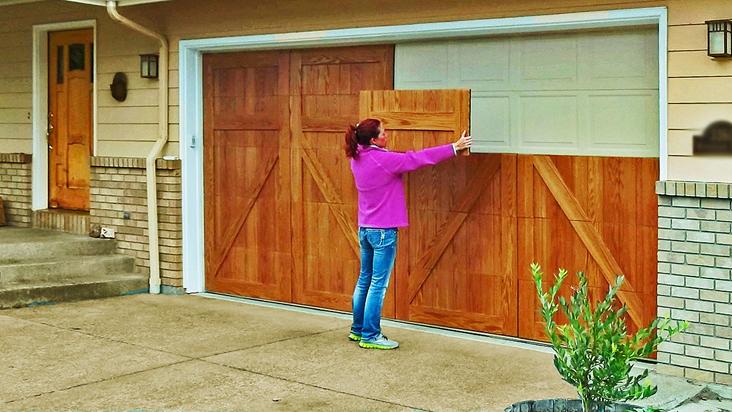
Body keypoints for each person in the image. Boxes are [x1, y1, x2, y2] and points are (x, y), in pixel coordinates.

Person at [344, 118, 473, 350]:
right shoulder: (383, 160)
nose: (387, 135)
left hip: (365, 229)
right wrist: (454, 147)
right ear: (373, 139)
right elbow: (417, 158)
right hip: (383, 232)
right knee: (377, 285)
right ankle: (371, 335)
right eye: (383, 132)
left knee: (364, 279)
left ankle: (358, 329)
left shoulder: (357, 157)